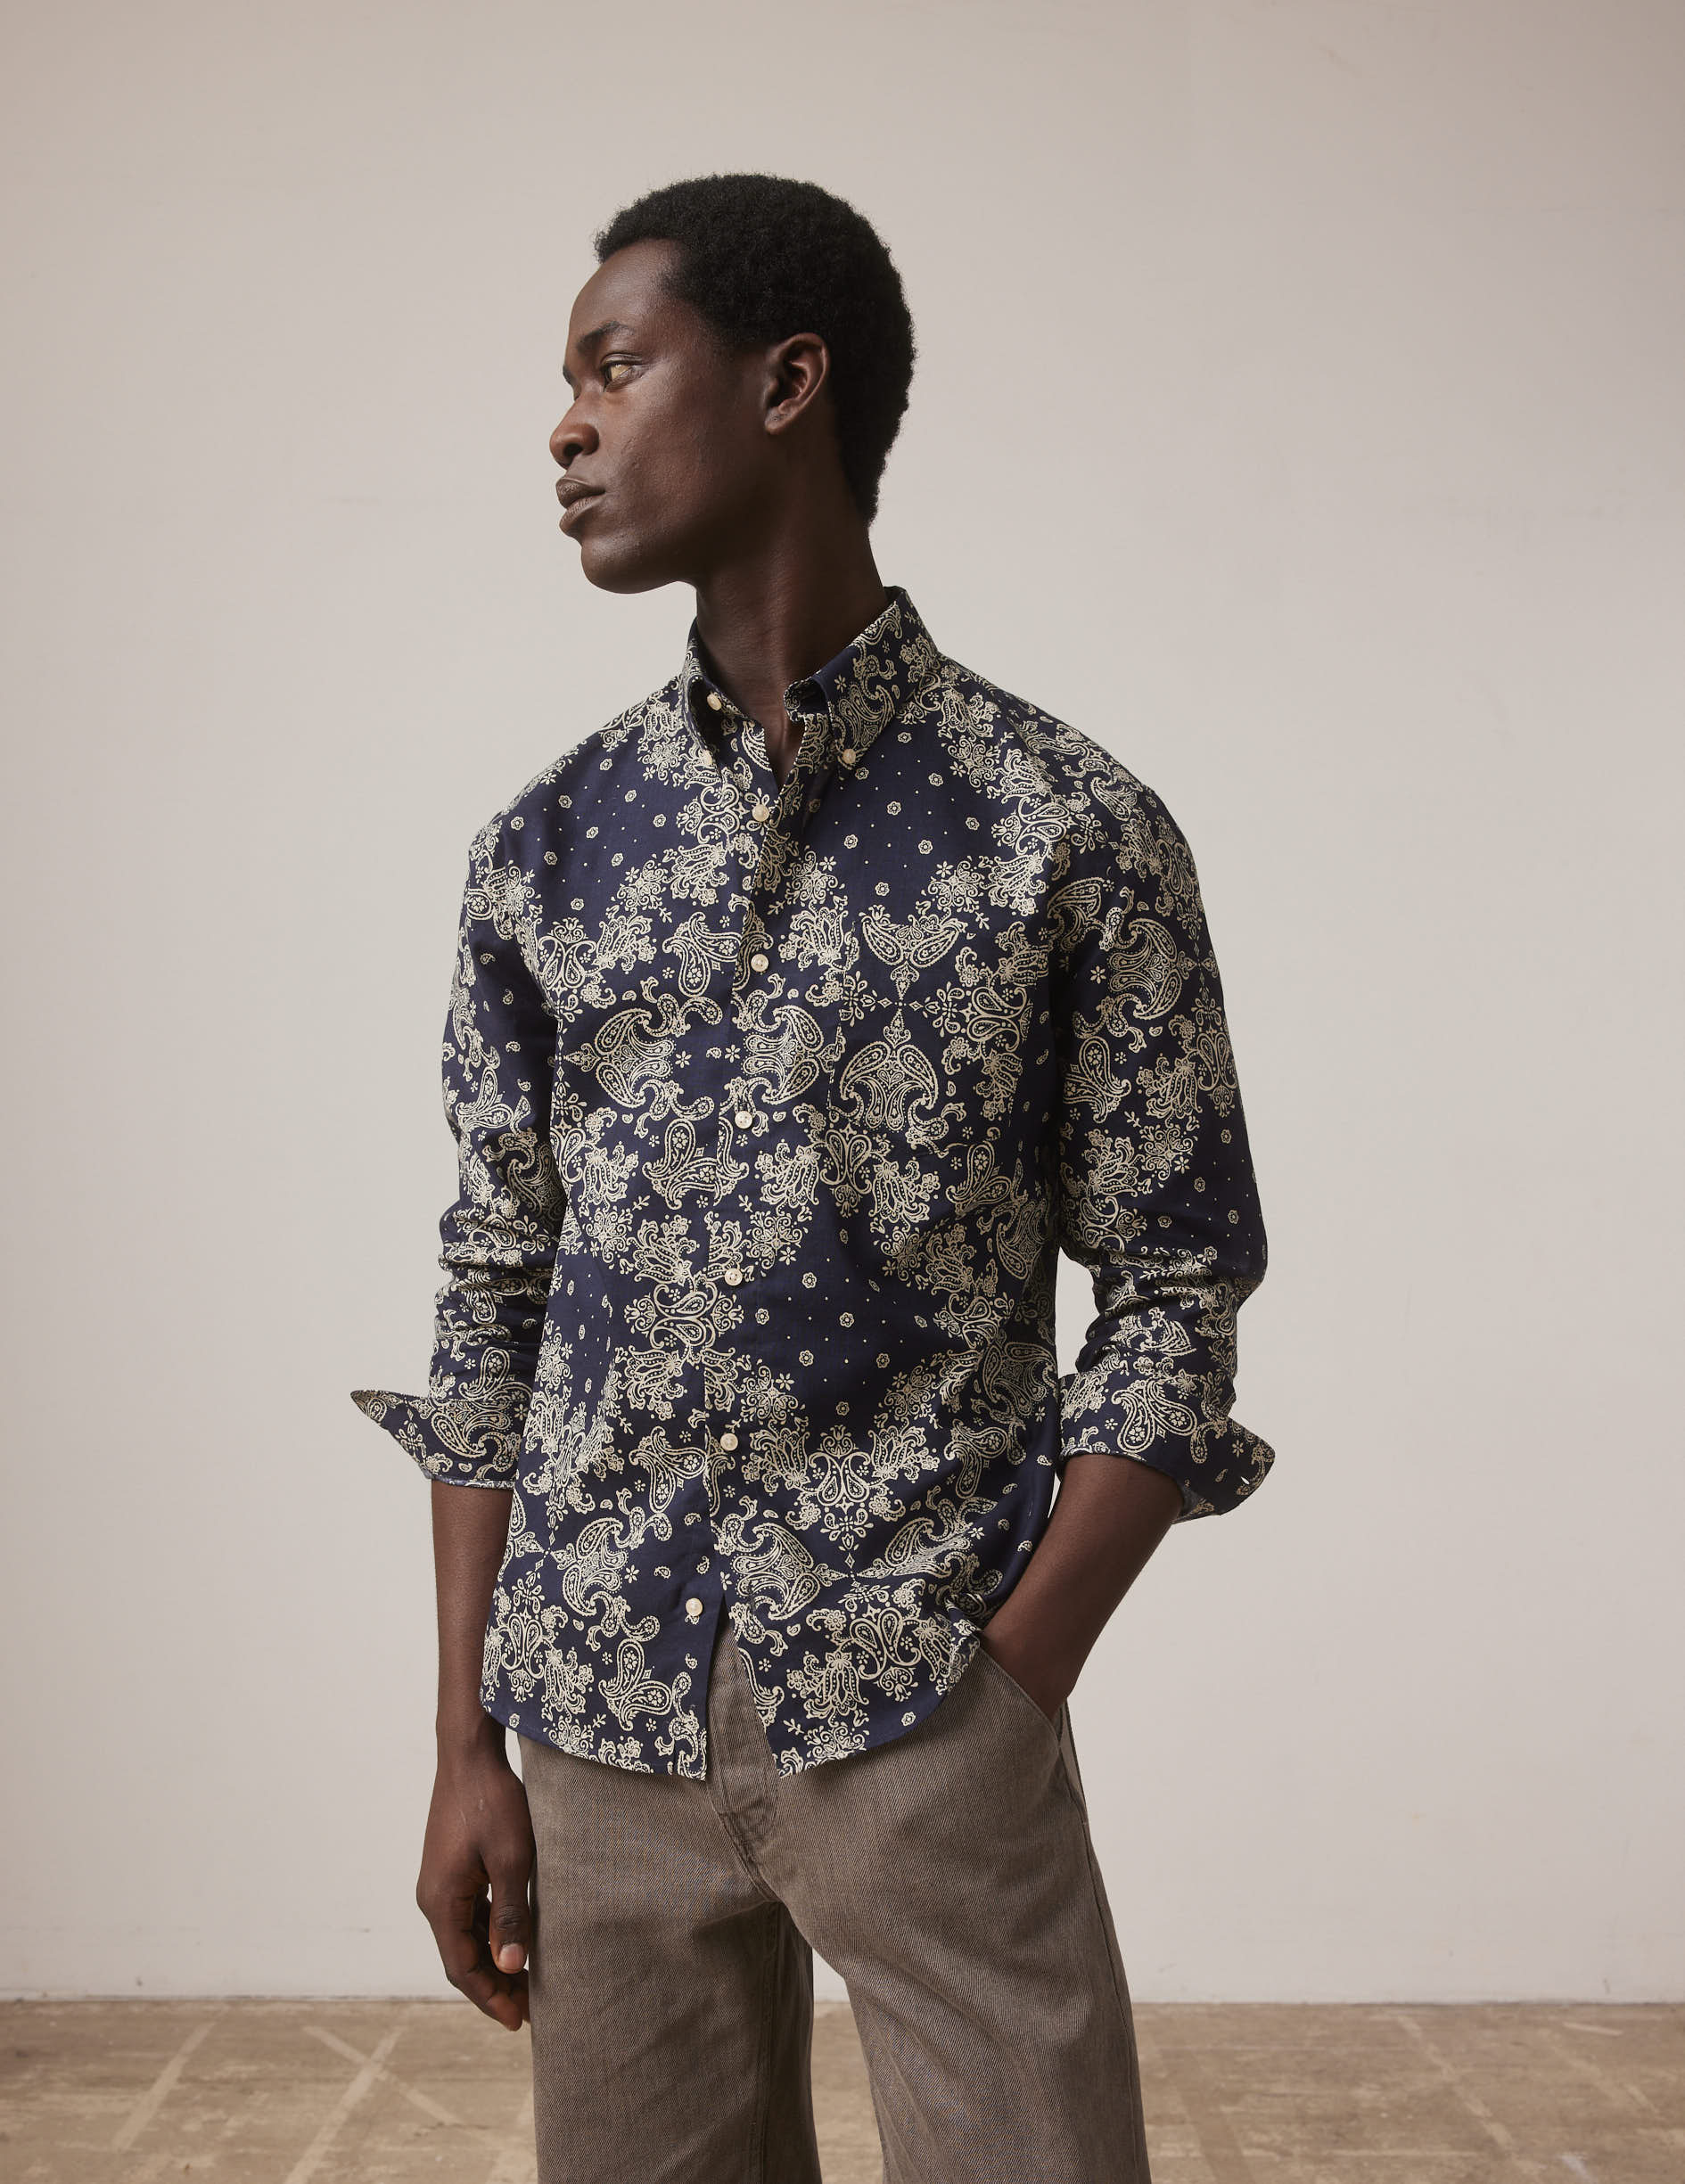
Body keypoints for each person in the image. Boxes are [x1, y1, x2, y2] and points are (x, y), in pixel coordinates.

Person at [352, 171, 1272, 2184]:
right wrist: (462, 1742)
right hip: (597, 1719)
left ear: (787, 384)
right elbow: (493, 1293)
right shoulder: (545, 850)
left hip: (924, 1700)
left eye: (613, 366)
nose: (565, 426)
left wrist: (1012, 1679)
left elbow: (1176, 1287)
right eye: (568, 383)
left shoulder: (1066, 831)